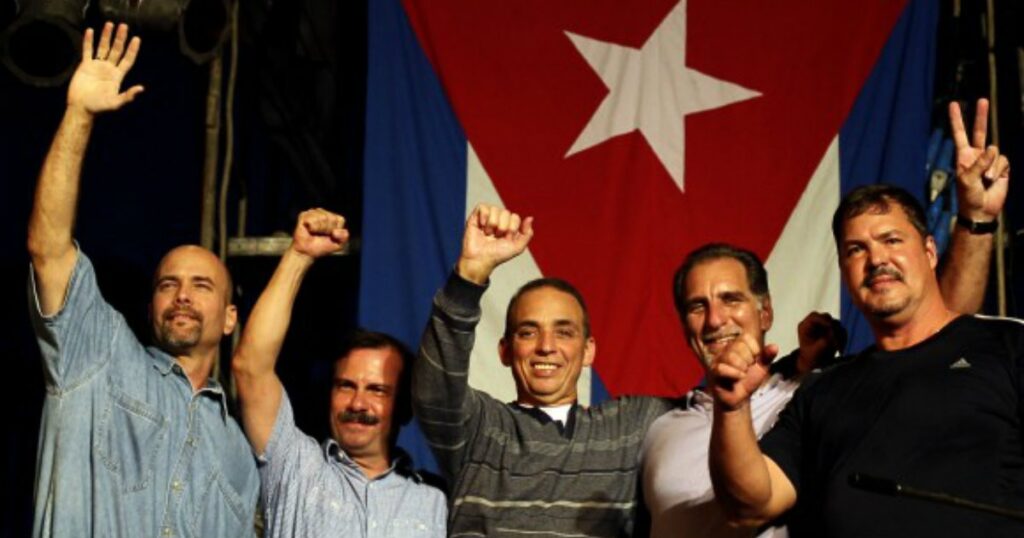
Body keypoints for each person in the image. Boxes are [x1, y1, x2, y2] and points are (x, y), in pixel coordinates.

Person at [641, 98, 1003, 538]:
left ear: (929, 251)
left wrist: (976, 221)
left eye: (891, 240)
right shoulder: (821, 390)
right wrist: (732, 407)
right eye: (856, 250)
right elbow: (750, 504)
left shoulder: (1003, 348)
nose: (876, 260)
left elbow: (946, 339)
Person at [26, 23, 258, 537]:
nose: (181, 295)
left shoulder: (241, 456)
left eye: (202, 285)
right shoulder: (98, 353)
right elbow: (49, 249)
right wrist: (79, 116)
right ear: (151, 304)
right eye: (166, 283)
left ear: (229, 317)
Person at [414, 205, 677, 536]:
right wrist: (470, 273)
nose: (546, 346)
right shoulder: (478, 429)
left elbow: (721, 412)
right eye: (528, 332)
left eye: (564, 332)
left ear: (588, 350)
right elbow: (433, 390)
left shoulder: (632, 427)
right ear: (505, 351)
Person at [231, 208, 447, 537]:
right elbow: (251, 367)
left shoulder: (435, 504)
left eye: (377, 390)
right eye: (346, 386)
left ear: (403, 407)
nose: (358, 403)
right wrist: (299, 256)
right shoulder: (296, 467)